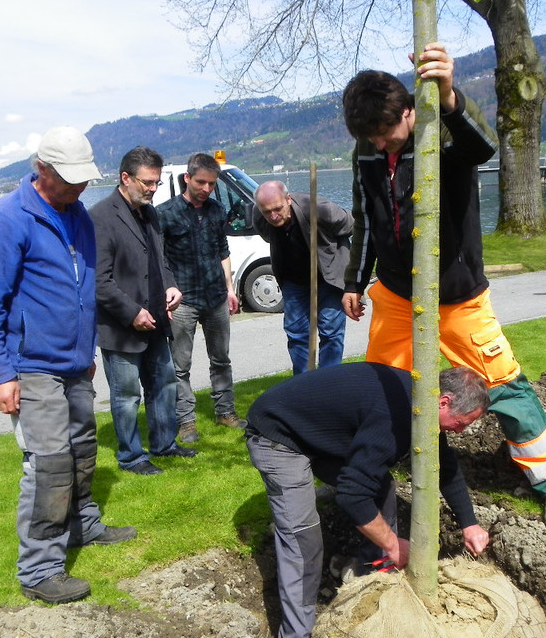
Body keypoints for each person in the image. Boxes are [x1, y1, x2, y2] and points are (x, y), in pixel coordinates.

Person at [340, 43, 546, 527]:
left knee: (502, 384)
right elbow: (365, 218)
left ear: (408, 111)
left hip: (458, 296)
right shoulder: (367, 150)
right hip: (396, 295)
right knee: (381, 389)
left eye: (386, 134)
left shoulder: (439, 130)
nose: (380, 145)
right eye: (371, 138)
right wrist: (354, 281)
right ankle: (372, 476)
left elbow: (484, 147)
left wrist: (449, 96)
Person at [0, 126, 138, 605]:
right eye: (69, 178)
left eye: (83, 178)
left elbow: (85, 289)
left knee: (82, 449)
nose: (79, 186)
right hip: (30, 364)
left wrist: (87, 352)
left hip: (75, 363)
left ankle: (82, 525)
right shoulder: (6, 220)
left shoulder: (77, 213)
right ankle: (40, 568)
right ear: (41, 168)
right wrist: (2, 375)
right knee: (49, 464)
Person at [245, 362, 491, 638]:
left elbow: (443, 464)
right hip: (279, 436)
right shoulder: (395, 418)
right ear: (444, 401)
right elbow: (351, 495)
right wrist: (393, 544)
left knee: (379, 485)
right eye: (462, 423)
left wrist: (469, 523)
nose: (461, 432)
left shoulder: (422, 404)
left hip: (321, 432)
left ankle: (371, 583)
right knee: (303, 545)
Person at [90, 146, 197, 477]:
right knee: (126, 397)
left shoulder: (150, 213)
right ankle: (131, 457)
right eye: (147, 182)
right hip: (121, 327)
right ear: (125, 178)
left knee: (164, 384)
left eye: (156, 182)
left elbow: (159, 261)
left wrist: (171, 285)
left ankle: (164, 444)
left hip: (157, 321)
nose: (153, 189)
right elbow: (98, 281)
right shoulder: (100, 217)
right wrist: (132, 312)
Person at [156, 153, 246, 443]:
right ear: (187, 179)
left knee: (221, 359)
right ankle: (186, 421)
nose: (207, 188)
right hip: (183, 301)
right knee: (179, 366)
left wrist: (230, 289)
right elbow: (158, 260)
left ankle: (225, 411)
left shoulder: (217, 210)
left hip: (216, 297)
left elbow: (223, 251)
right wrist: (167, 293)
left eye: (212, 184)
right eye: (201, 183)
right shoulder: (165, 213)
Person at [252, 181, 352, 375]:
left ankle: (329, 381)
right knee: (296, 333)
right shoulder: (258, 214)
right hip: (294, 280)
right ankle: (303, 384)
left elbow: (352, 224)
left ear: (288, 199)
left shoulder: (318, 209)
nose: (273, 216)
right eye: (267, 212)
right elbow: (267, 235)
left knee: (331, 332)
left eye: (278, 209)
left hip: (329, 277)